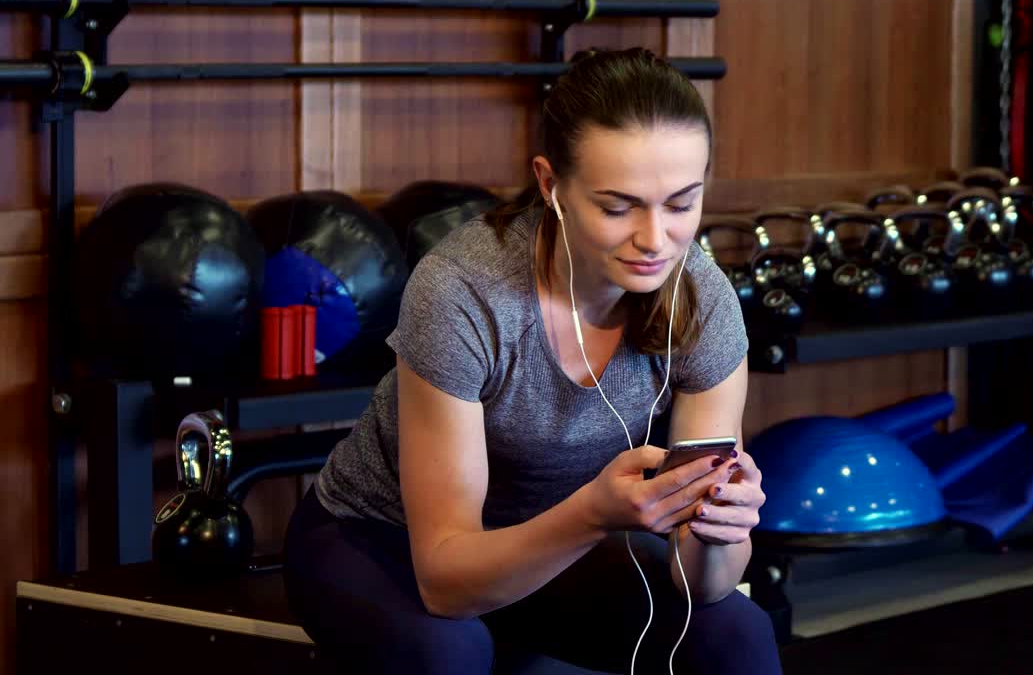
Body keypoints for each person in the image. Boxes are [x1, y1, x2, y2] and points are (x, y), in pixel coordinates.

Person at [283, 48, 783, 675]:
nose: (656, 240)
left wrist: (721, 528)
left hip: (558, 543)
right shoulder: (464, 291)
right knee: (450, 652)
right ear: (551, 186)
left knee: (736, 633)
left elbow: (704, 586)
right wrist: (594, 513)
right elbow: (445, 581)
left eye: (681, 204)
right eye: (617, 206)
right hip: (379, 541)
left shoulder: (702, 300)